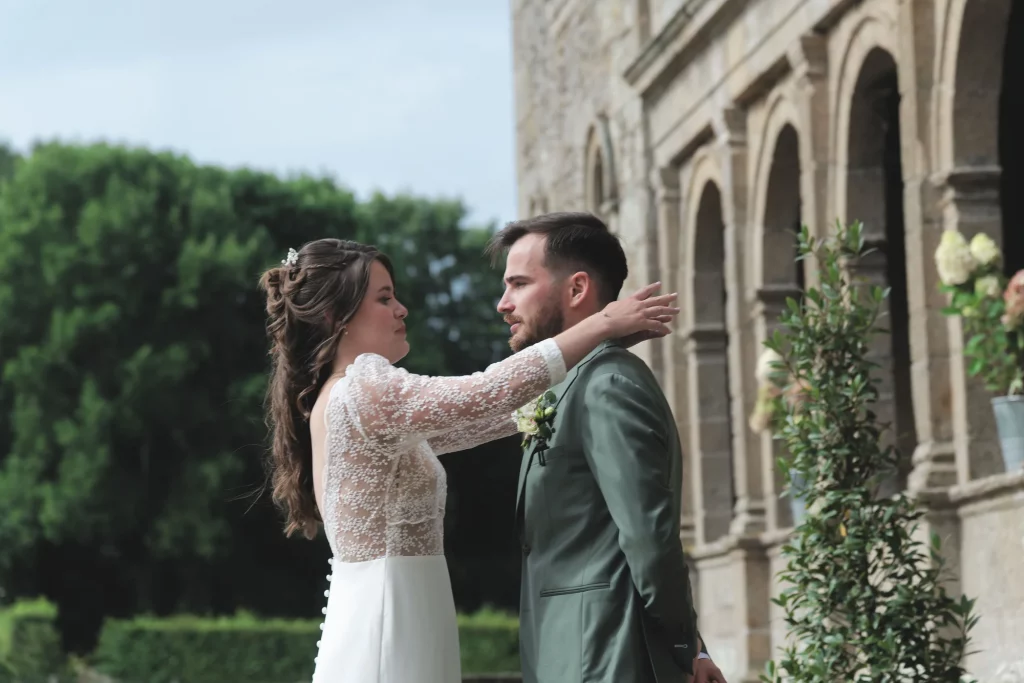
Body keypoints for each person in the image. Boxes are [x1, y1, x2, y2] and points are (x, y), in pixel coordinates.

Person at [258, 238, 680, 683]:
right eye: (384, 298)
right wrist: (600, 325)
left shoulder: (347, 397)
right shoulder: (364, 388)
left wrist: (588, 355)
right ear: (332, 316)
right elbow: (486, 392)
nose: (401, 309)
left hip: (394, 610)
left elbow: (490, 417)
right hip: (389, 620)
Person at [486, 212, 728, 683]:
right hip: (565, 652)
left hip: (606, 656)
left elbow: (649, 538)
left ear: (577, 289)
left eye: (518, 284)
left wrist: (687, 648)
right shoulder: (571, 384)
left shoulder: (608, 384)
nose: (503, 303)